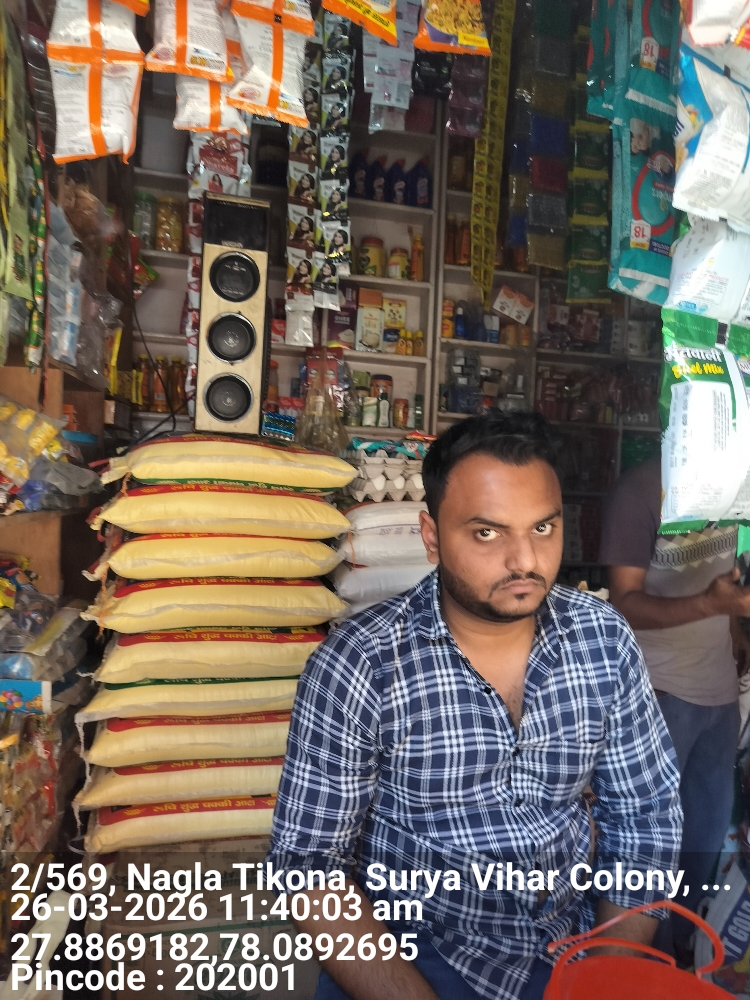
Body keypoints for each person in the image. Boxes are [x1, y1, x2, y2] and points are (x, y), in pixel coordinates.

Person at [269, 413, 682, 1000]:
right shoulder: (361, 665)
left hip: (563, 951)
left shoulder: (602, 640)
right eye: (487, 533)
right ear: (432, 537)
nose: (524, 560)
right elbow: (309, 871)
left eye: (543, 528)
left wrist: (607, 972)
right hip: (411, 955)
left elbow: (645, 816)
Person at [600, 454, 747, 959]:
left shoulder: (733, 489)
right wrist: (714, 605)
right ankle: (644, 966)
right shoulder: (642, 490)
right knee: (648, 847)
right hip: (659, 694)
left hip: (719, 695)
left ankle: (681, 960)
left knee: (702, 843)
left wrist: (732, 627)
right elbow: (623, 603)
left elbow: (726, 575)